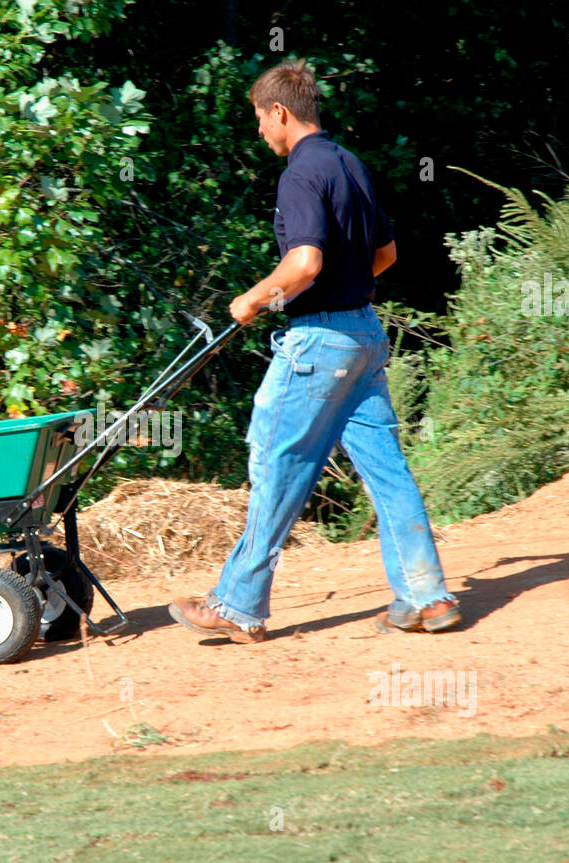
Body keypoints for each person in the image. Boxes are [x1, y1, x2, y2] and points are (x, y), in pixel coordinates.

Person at [169, 59, 461, 643]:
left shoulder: (301, 173)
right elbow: (386, 256)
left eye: (258, 118)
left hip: (318, 344)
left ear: (280, 111)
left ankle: (237, 603)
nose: (258, 131)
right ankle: (427, 597)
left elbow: (305, 262)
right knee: (386, 470)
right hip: (364, 336)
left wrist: (255, 298)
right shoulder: (350, 164)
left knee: (275, 463)